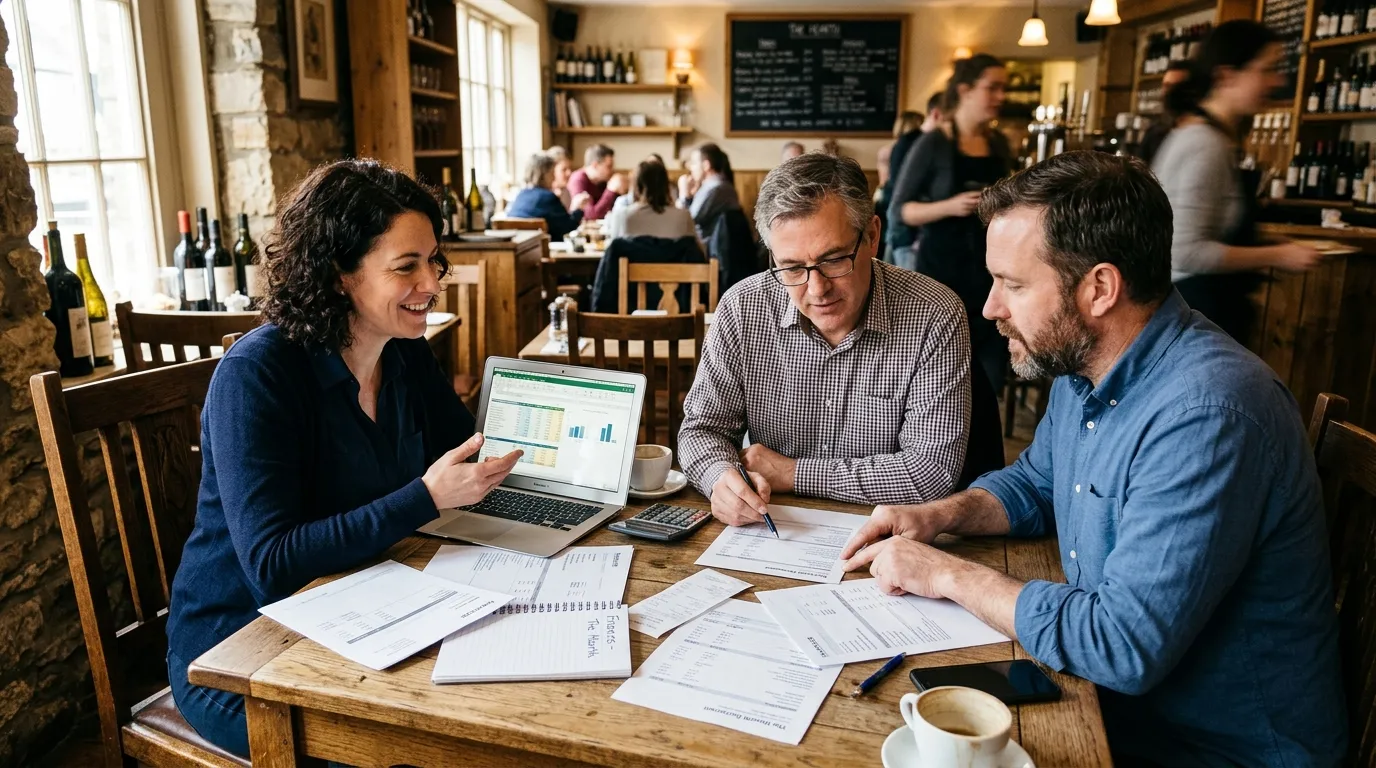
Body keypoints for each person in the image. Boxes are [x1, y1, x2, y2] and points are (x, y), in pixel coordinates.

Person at [842, 151, 1346, 767]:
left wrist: (946, 575)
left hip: (1212, 747)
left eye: (1014, 284)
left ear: (1099, 288)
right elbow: (1035, 482)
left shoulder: (1207, 414)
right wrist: (938, 516)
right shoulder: (1085, 368)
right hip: (1114, 706)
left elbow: (1120, 645)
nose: (990, 307)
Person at [165, 159, 524, 757]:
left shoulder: (403, 352)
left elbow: (466, 455)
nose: (432, 283)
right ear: (338, 275)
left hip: (366, 606)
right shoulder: (258, 376)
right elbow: (274, 564)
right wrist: (425, 497)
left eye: (433, 260)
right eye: (405, 267)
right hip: (243, 650)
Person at [679, 153, 971, 520]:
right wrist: (719, 478)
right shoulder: (742, 308)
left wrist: (792, 473)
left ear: (872, 236)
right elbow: (702, 430)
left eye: (834, 260)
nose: (817, 289)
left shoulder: (934, 314)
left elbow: (931, 473)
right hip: (769, 531)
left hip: (890, 540)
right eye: (791, 267)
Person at [1152, 21, 1322, 342]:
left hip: (1197, 315)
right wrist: (1277, 256)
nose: (1278, 81)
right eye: (1267, 69)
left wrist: (1271, 246)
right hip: (1192, 319)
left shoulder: (1211, 136)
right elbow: (1185, 251)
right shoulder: (1205, 143)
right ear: (1226, 76)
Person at [888, 54, 1014, 393]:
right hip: (942, 272)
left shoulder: (998, 144)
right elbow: (899, 210)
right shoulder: (933, 143)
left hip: (990, 273)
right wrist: (949, 206)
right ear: (965, 90)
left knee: (988, 379)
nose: (1001, 97)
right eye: (993, 88)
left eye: (1003, 89)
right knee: (940, 375)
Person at [505, 153, 591, 240]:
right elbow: (567, 228)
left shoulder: (521, 195)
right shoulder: (547, 197)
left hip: (519, 248)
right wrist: (578, 209)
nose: (554, 178)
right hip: (541, 249)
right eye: (552, 173)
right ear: (544, 175)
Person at [605, 160, 696, 241]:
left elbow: (614, 253)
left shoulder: (622, 216)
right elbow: (698, 254)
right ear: (666, 186)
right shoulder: (684, 217)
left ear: (636, 187)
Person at [876, 111, 924, 262]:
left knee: (889, 238)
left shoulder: (886, 149)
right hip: (898, 197)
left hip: (884, 195)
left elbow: (883, 180)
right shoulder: (915, 149)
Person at [677, 143, 743, 237]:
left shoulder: (715, 188)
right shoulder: (715, 185)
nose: (691, 168)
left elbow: (685, 223)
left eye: (694, 163)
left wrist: (684, 194)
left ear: (706, 165)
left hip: (706, 247)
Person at [1135, 61, 1191, 164]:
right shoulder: (1155, 133)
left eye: (1175, 87)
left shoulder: (1202, 136)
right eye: (1166, 86)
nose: (1168, 93)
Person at [567, 143, 626, 220]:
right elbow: (590, 216)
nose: (612, 170)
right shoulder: (578, 180)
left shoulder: (602, 180)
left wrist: (623, 192)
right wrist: (611, 191)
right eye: (609, 166)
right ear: (595, 165)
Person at [546, 145, 574, 209]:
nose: (569, 173)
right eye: (564, 169)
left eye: (570, 168)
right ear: (552, 171)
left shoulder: (566, 192)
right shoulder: (543, 194)